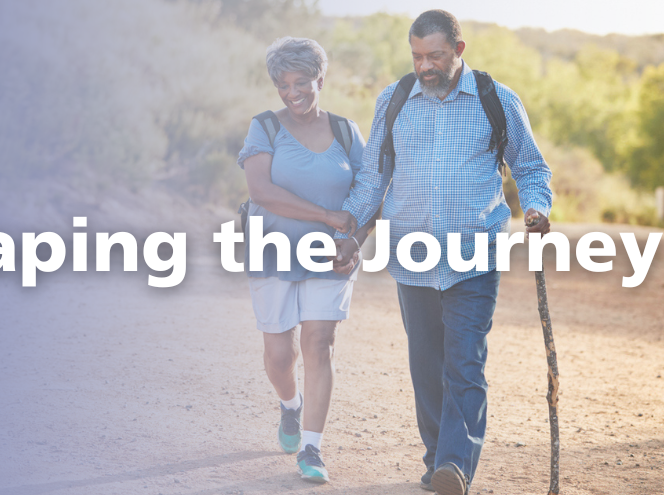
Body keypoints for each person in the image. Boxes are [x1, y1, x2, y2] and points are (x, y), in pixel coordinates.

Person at [331, 10, 553, 495]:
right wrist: (351, 231)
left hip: (474, 254)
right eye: (416, 56)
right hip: (412, 256)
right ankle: (437, 459)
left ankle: (455, 465)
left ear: (459, 50)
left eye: (434, 56)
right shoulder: (394, 100)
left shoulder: (496, 99)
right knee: (426, 365)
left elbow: (531, 168)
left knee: (465, 362)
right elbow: (374, 177)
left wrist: (535, 209)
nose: (424, 66)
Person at [237, 36, 376, 483]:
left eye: (301, 82)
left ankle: (313, 448)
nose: (292, 92)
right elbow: (261, 191)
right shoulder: (265, 127)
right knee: (280, 354)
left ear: (321, 78)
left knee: (319, 344)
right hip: (272, 251)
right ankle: (290, 405)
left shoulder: (344, 131)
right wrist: (326, 215)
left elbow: (370, 193)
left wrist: (354, 241)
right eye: (282, 84)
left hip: (329, 257)